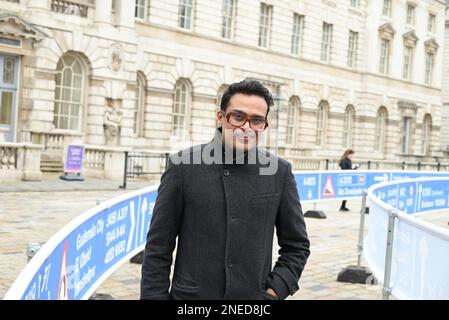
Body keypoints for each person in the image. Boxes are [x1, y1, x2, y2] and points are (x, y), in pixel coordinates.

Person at [140, 80, 310, 300]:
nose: (246, 128)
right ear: (220, 118)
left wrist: (273, 293)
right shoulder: (183, 167)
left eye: (257, 121)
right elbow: (158, 249)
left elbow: (297, 247)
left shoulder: (280, 172)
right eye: (238, 117)